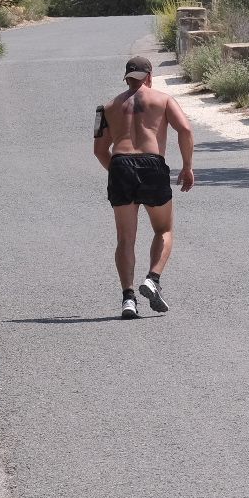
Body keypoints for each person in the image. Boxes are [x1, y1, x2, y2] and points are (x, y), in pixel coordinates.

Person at [94, 55, 195, 319]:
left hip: (120, 164)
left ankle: (128, 298)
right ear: (149, 77)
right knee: (163, 229)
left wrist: (118, 171)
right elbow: (184, 129)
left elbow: (99, 149)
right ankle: (152, 278)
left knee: (125, 238)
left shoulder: (106, 107)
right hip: (152, 165)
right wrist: (187, 166)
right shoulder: (163, 100)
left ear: (127, 78)